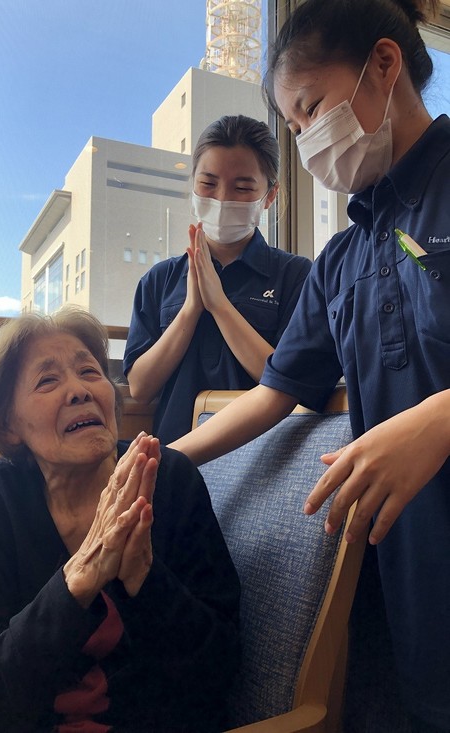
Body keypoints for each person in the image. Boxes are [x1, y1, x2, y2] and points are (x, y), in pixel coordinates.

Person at [171, 1, 450, 731]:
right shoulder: (340, 259)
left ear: (383, 65)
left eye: (312, 109)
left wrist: (439, 417)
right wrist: (162, 457)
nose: (307, 144)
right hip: (408, 562)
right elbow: (274, 393)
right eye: (294, 129)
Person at [0, 305, 240, 733]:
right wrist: (78, 580)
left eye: (90, 372)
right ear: (7, 427)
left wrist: (144, 579)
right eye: (48, 381)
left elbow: (220, 667)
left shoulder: (168, 479)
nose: (79, 391)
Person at [123, 114, 312, 444]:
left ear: (270, 196)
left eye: (243, 187)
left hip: (263, 454)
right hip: (174, 455)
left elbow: (288, 379)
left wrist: (220, 305)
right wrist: (190, 309)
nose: (222, 198)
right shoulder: (159, 280)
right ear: (193, 185)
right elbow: (140, 386)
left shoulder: (295, 275)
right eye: (208, 184)